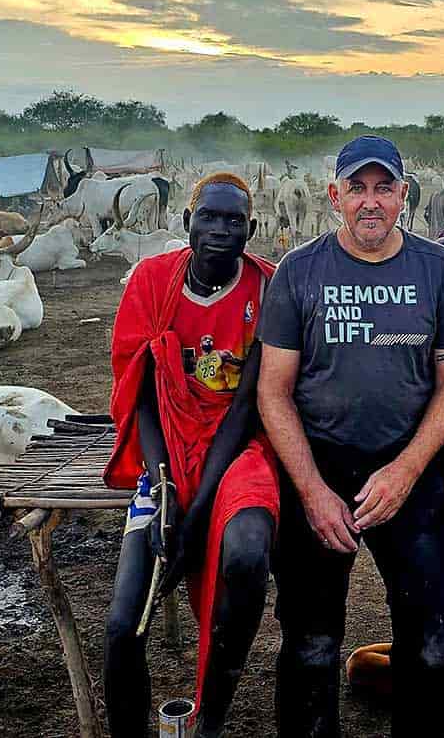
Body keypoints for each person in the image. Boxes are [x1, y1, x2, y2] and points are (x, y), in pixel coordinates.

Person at [257, 134, 444, 738]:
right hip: (321, 469)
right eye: (357, 188)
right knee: (311, 642)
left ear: (404, 195)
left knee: (431, 640)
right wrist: (310, 490)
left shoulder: (435, 269)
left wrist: (406, 471)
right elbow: (273, 391)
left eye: (384, 188)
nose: (370, 202)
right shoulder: (300, 271)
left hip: (408, 469)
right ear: (334, 197)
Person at [103, 173, 280, 738]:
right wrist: (162, 489)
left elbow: (249, 404)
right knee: (121, 626)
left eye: (234, 221)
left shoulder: (267, 288)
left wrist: (198, 510)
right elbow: (142, 395)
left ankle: (212, 719)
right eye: (210, 217)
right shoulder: (153, 282)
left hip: (240, 448)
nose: (221, 230)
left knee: (248, 556)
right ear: (187, 223)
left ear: (250, 230)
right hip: (164, 451)